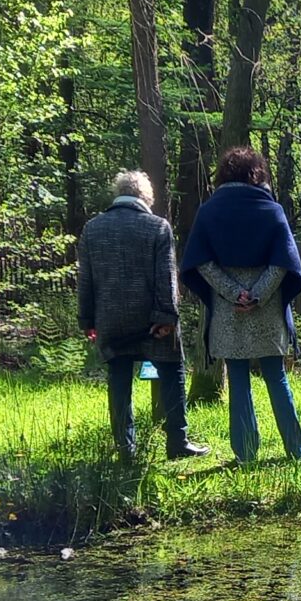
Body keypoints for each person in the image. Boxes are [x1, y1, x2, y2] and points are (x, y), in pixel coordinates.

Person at [180, 145, 301, 466]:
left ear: (223, 174)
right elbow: (283, 262)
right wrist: (256, 294)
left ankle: (245, 455)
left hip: (228, 312)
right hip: (265, 308)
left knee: (238, 381)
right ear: (257, 173)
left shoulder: (208, 212)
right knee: (276, 377)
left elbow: (202, 263)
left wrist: (232, 292)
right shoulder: (272, 210)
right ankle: (297, 450)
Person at [76, 170, 204, 460]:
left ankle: (126, 448)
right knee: (173, 372)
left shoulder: (92, 229)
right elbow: (166, 278)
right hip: (153, 322)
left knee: (119, 379)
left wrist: (87, 320)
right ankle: (177, 442)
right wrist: (167, 317)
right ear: (146, 197)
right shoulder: (157, 227)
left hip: (110, 320)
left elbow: (86, 280)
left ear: (117, 194)